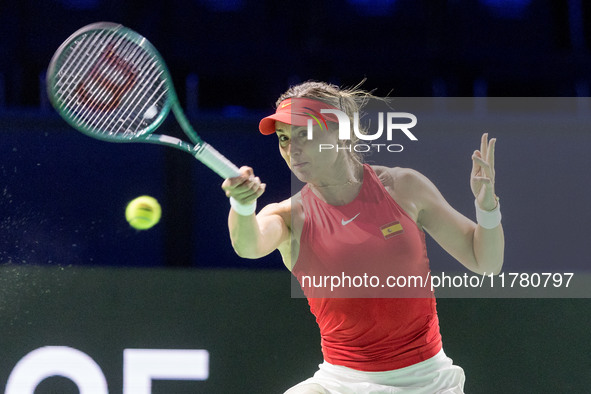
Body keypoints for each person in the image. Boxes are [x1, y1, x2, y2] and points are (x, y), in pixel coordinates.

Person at [222, 81, 504, 394]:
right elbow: (248, 245)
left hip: (426, 382)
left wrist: (487, 208)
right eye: (284, 138)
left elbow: (485, 261)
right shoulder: (289, 216)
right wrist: (242, 205)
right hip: (339, 382)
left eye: (304, 133)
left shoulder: (404, 187)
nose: (292, 148)